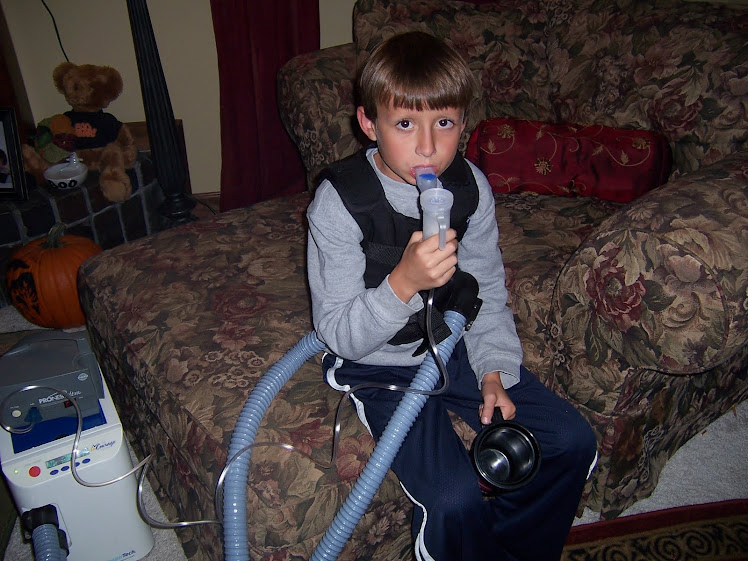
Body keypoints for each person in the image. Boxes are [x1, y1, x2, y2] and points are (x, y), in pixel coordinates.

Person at [306, 31, 597, 561]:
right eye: (403, 124)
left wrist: (494, 371)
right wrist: (404, 283)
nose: (426, 147)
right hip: (378, 365)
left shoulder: (470, 188)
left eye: (444, 123)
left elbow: (484, 286)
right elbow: (340, 335)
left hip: (454, 345)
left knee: (571, 441)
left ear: (463, 123)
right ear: (368, 123)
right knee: (454, 498)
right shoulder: (341, 202)